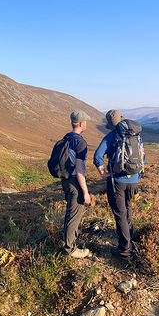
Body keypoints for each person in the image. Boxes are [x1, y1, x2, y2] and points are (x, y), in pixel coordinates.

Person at [93, 109, 144, 259]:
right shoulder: (135, 135)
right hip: (134, 180)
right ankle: (131, 238)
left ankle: (124, 250)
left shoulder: (111, 137)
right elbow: (143, 158)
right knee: (128, 208)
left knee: (120, 214)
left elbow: (97, 157)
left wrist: (102, 173)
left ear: (110, 124)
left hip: (118, 182)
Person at [60, 110, 92, 258]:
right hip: (75, 183)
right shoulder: (80, 142)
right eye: (85, 122)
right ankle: (70, 249)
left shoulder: (66, 138)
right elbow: (79, 170)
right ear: (81, 123)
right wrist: (85, 191)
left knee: (69, 213)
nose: (86, 124)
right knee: (74, 216)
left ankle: (68, 237)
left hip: (65, 181)